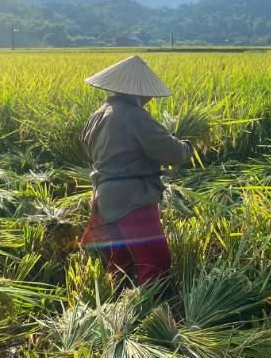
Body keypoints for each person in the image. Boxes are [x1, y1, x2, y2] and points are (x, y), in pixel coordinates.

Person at [79, 55, 193, 285]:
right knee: (156, 262)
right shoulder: (134, 116)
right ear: (138, 92)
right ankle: (145, 313)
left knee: (119, 265)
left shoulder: (98, 114)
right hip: (132, 198)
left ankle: (119, 312)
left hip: (104, 197)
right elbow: (170, 151)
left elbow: (85, 147)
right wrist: (187, 148)